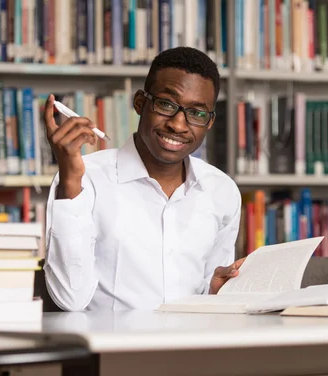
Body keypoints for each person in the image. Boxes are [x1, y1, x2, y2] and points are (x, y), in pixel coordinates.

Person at [43, 47, 244, 311]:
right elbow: (69, 298)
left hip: (191, 347)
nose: (179, 125)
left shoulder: (222, 191)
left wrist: (215, 290)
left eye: (196, 113)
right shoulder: (85, 178)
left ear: (209, 122)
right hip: (114, 349)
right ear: (140, 103)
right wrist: (70, 180)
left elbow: (208, 293)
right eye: (166, 104)